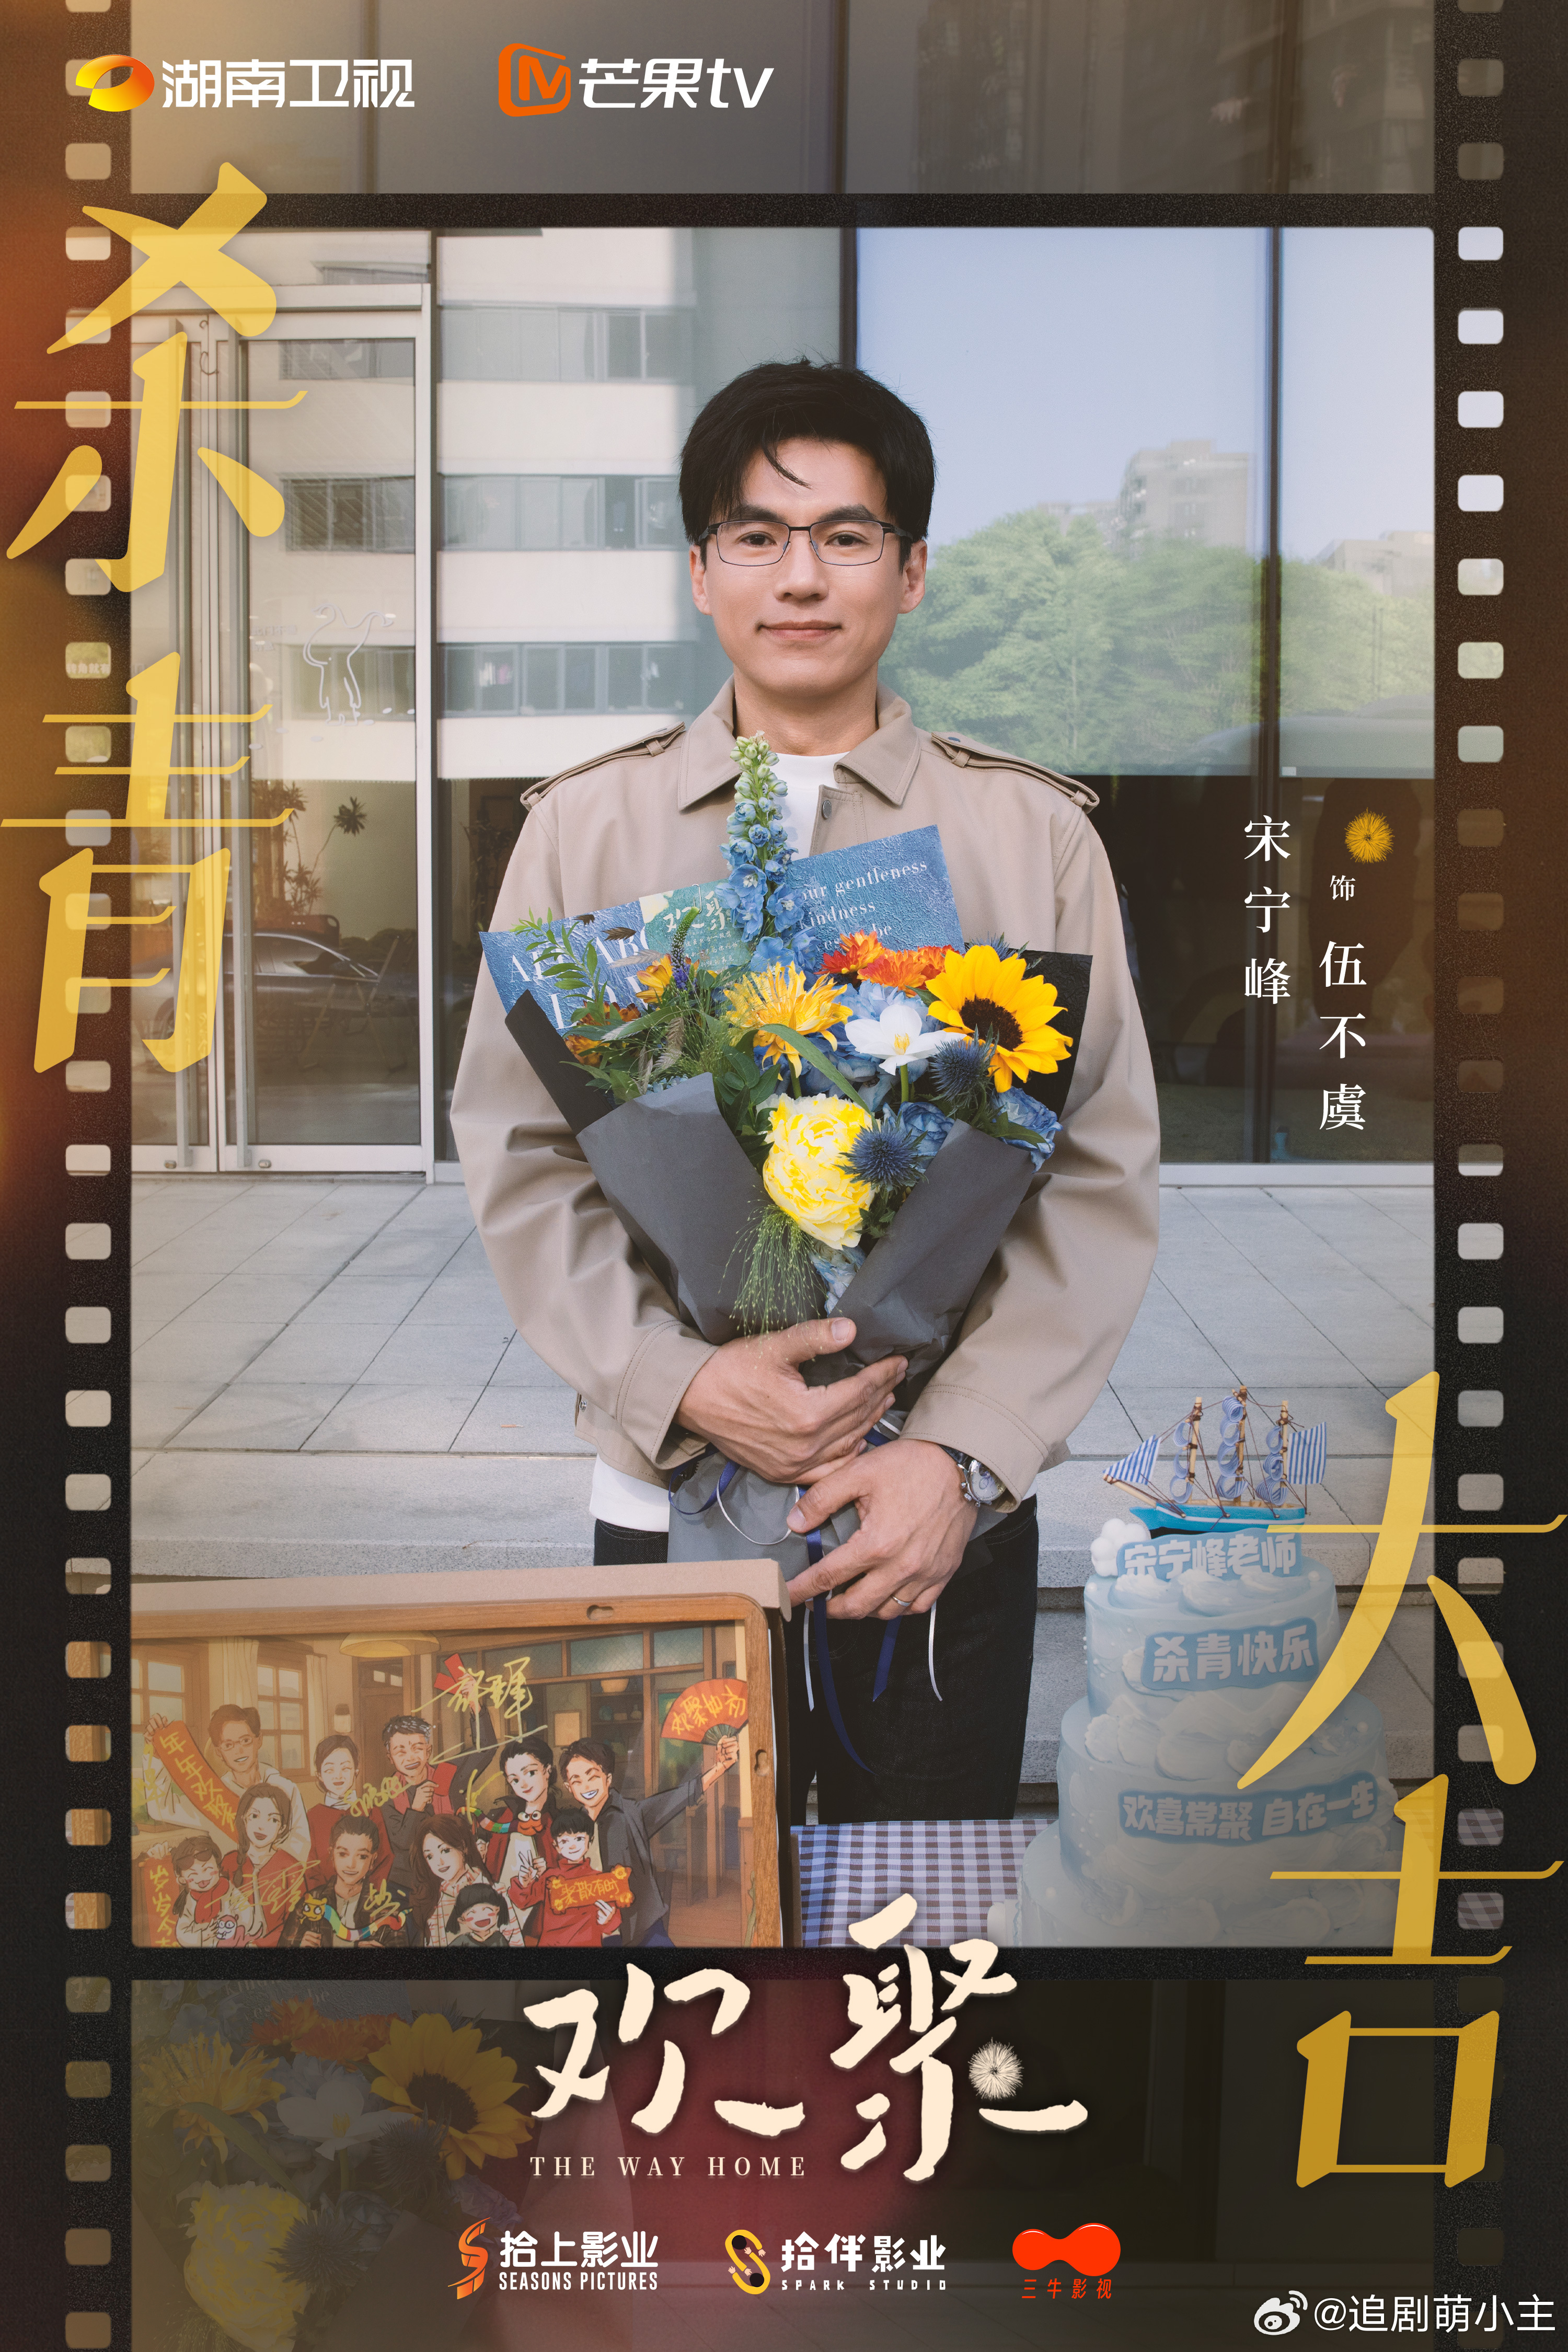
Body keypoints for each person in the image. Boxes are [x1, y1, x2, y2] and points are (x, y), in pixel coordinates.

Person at [452, 359, 1159, 1827]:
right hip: (676, 1487)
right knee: (679, 1886)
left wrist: (962, 1452)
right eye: (756, 535)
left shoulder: (1032, 836)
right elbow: (524, 1156)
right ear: (699, 570)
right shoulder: (583, 829)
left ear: (910, 569)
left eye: (846, 535)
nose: (799, 576)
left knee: (921, 1913)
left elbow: (1093, 1175)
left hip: (935, 1512)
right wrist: (679, 1380)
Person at [557, 1735, 741, 1947]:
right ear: (569, 1787)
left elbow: (678, 1797)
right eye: (577, 1781)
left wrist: (720, 1767)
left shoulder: (632, 1813)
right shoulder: (570, 1828)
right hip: (595, 1930)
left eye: (592, 1777)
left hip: (642, 1927)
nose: (586, 1786)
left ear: (608, 1778)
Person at [143, 1701, 311, 1864]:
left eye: (246, 1741)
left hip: (280, 1878)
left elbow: (301, 1845)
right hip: (231, 1881)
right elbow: (161, 1809)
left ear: (259, 1740)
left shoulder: (285, 1788)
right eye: (229, 1745)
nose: (239, 1751)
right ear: (219, 1752)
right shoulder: (212, 1795)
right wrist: (154, 1756)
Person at [375, 1714, 479, 1901]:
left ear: (428, 1750)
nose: (410, 1758)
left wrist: (476, 1709)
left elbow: (485, 1750)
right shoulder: (388, 1793)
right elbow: (402, 1844)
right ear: (390, 1758)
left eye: (417, 1748)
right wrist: (416, 1808)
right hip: (408, 1885)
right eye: (401, 1752)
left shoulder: (445, 1776)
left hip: (453, 1877)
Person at [472, 1737, 557, 1939]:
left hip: (541, 1927)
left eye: (531, 1773)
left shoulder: (560, 1824)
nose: (524, 1784)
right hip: (496, 1922)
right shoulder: (497, 1819)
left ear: (547, 1771)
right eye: (515, 1780)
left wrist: (549, 1873)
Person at [278, 1819, 408, 1949]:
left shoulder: (385, 1910)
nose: (351, 1865)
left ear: (373, 1860)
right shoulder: (311, 1902)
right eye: (343, 1854)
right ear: (332, 1854)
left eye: (362, 1856)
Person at [407, 1814, 517, 1949]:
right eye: (430, 1856)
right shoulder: (433, 1903)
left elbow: (515, 1941)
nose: (439, 1862)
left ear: (464, 1847)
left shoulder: (497, 1891)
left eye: (445, 1850)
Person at [220, 1784, 307, 1947]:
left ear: (282, 1827)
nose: (262, 1826)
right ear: (244, 1819)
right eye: (255, 1816)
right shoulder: (230, 1862)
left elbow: (297, 1921)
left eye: (273, 1820)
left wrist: (259, 1944)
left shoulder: (291, 1867)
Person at [304, 1734, 393, 1889]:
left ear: (356, 1771)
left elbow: (384, 1860)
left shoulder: (372, 1812)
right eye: (330, 1770)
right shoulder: (313, 1817)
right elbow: (310, 1867)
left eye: (345, 1768)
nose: (338, 1776)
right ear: (320, 1775)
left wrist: (368, 1894)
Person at [531, 1808, 627, 1949]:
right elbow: (525, 1899)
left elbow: (613, 1920)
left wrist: (608, 1920)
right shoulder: (550, 1877)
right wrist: (526, 1881)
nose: (573, 1846)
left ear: (590, 1841)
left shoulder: (599, 1880)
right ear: (556, 1846)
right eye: (565, 1841)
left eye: (579, 1839)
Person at [445, 1883, 524, 1949]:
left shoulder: (499, 1938)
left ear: (497, 1910)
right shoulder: (462, 1941)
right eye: (472, 1913)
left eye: (486, 1910)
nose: (481, 1916)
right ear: (462, 1920)